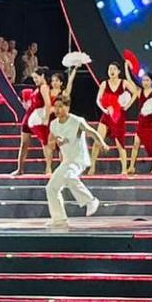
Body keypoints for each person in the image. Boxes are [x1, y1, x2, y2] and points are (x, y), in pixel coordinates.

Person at [43, 93, 105, 229]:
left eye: (61, 106)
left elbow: (92, 132)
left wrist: (102, 143)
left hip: (79, 159)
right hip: (67, 161)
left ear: (67, 107)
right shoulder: (53, 124)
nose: (57, 110)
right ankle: (59, 219)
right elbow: (51, 141)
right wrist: (56, 142)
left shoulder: (76, 121)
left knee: (70, 176)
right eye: (55, 107)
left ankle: (91, 201)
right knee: (51, 187)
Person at [95, 61, 135, 176]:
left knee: (120, 143)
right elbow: (98, 99)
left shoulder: (123, 83)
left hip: (118, 116)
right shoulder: (104, 84)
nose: (111, 71)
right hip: (107, 114)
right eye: (110, 69)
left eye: (114, 69)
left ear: (118, 71)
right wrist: (104, 110)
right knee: (98, 139)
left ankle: (124, 169)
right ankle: (92, 166)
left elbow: (135, 92)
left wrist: (127, 106)